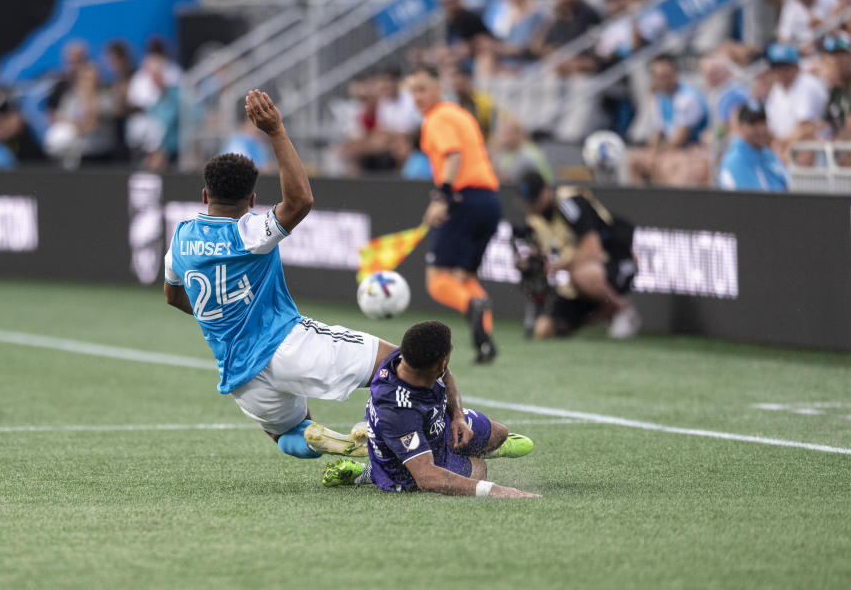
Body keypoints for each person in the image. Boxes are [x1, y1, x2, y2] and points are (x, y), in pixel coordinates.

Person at [164, 89, 400, 459]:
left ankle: (325, 441)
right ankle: (439, 435)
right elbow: (300, 202)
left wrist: (222, 318)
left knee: (291, 431)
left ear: (204, 195)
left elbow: (173, 296)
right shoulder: (249, 232)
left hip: (240, 374)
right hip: (285, 344)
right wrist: (275, 131)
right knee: (399, 363)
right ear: (253, 200)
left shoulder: (180, 238)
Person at [321, 320, 539, 498]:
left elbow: (447, 375)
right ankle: (372, 473)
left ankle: (470, 446)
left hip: (436, 425)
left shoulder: (406, 358)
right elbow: (427, 477)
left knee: (499, 432)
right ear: (439, 363)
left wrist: (457, 416)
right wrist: (497, 490)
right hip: (406, 469)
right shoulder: (397, 411)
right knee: (479, 469)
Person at [406, 65, 501, 364]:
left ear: (438, 87)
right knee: (465, 276)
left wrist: (443, 197)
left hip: (463, 198)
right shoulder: (460, 114)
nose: (417, 97)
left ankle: (472, 305)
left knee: (438, 280)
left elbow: (454, 154)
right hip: (489, 200)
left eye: (422, 89)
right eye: (412, 91)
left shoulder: (437, 118)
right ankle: (485, 342)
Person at [513, 170, 640, 340]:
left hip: (614, 263)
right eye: (527, 202)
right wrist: (530, 262)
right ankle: (602, 315)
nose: (530, 206)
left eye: (534, 200)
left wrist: (558, 267)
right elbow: (538, 252)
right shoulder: (535, 220)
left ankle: (623, 310)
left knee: (582, 274)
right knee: (543, 329)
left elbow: (593, 249)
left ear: (545, 191)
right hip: (577, 280)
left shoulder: (568, 202)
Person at [629, 54, 710, 186]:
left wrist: (656, 156)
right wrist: (651, 152)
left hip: (692, 149)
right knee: (633, 160)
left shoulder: (688, 99)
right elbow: (658, 131)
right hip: (671, 148)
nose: (661, 80)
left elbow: (678, 140)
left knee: (666, 165)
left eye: (666, 76)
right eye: (657, 76)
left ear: (675, 74)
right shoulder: (658, 96)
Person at [718, 103, 789, 192]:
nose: (760, 129)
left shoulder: (767, 154)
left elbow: (786, 183)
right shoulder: (734, 160)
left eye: (762, 122)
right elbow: (751, 200)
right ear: (741, 126)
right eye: (753, 124)